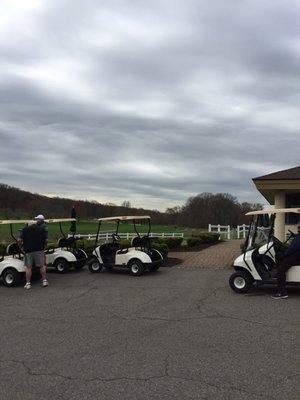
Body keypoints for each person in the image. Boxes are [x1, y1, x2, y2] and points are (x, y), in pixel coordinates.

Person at [19, 215, 48, 290]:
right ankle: (44, 281)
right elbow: (46, 241)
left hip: (28, 251)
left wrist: (21, 246)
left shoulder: (24, 230)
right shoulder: (42, 230)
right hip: (39, 250)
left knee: (29, 267)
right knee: (42, 266)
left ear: (28, 225)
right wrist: (44, 247)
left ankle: (28, 283)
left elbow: (19, 240)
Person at [271, 226, 300, 299]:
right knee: (279, 256)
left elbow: (293, 249)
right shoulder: (298, 237)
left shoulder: (298, 238)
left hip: (296, 257)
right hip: (296, 255)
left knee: (280, 270)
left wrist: (285, 254)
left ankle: (282, 293)